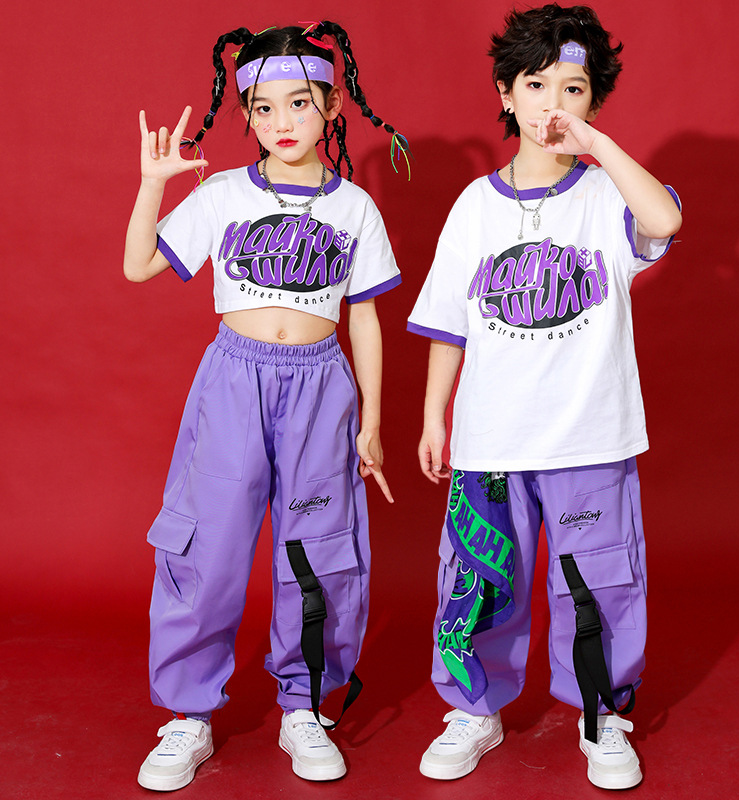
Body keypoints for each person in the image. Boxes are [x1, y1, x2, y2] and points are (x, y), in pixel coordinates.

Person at [124, 21, 406, 792]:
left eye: (300, 103)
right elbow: (139, 264)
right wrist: (153, 184)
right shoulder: (222, 194)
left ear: (333, 107)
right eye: (263, 107)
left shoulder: (355, 208)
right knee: (206, 546)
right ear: (246, 114)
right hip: (234, 381)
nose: (282, 122)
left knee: (317, 548)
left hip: (321, 386)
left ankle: (302, 705)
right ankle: (188, 713)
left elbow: (365, 318)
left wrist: (373, 422)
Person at [407, 4, 681, 790]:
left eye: (573, 88)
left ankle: (602, 714)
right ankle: (474, 710)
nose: (552, 103)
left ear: (593, 102)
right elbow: (449, 322)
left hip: (590, 440)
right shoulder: (474, 205)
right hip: (490, 443)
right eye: (535, 84)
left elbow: (664, 218)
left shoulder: (606, 197)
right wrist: (433, 417)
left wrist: (597, 147)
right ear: (505, 93)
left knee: (597, 581)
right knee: (477, 580)